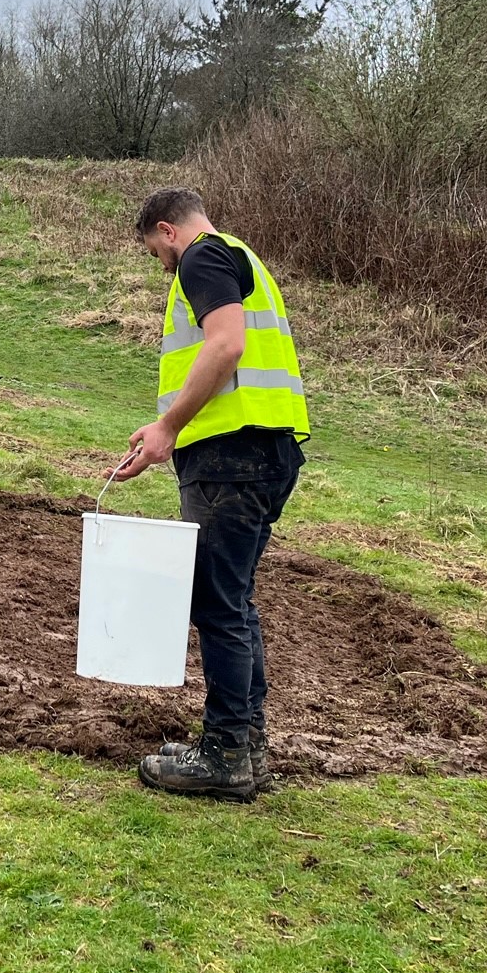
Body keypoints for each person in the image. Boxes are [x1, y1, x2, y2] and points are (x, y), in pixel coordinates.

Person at [112, 187, 309, 802]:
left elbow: (226, 344)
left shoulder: (201, 257)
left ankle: (224, 753)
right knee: (235, 601)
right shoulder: (240, 255)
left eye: (154, 253)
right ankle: (244, 746)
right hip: (261, 453)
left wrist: (169, 427)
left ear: (167, 230)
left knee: (218, 606)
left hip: (231, 458)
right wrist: (163, 437)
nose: (161, 266)